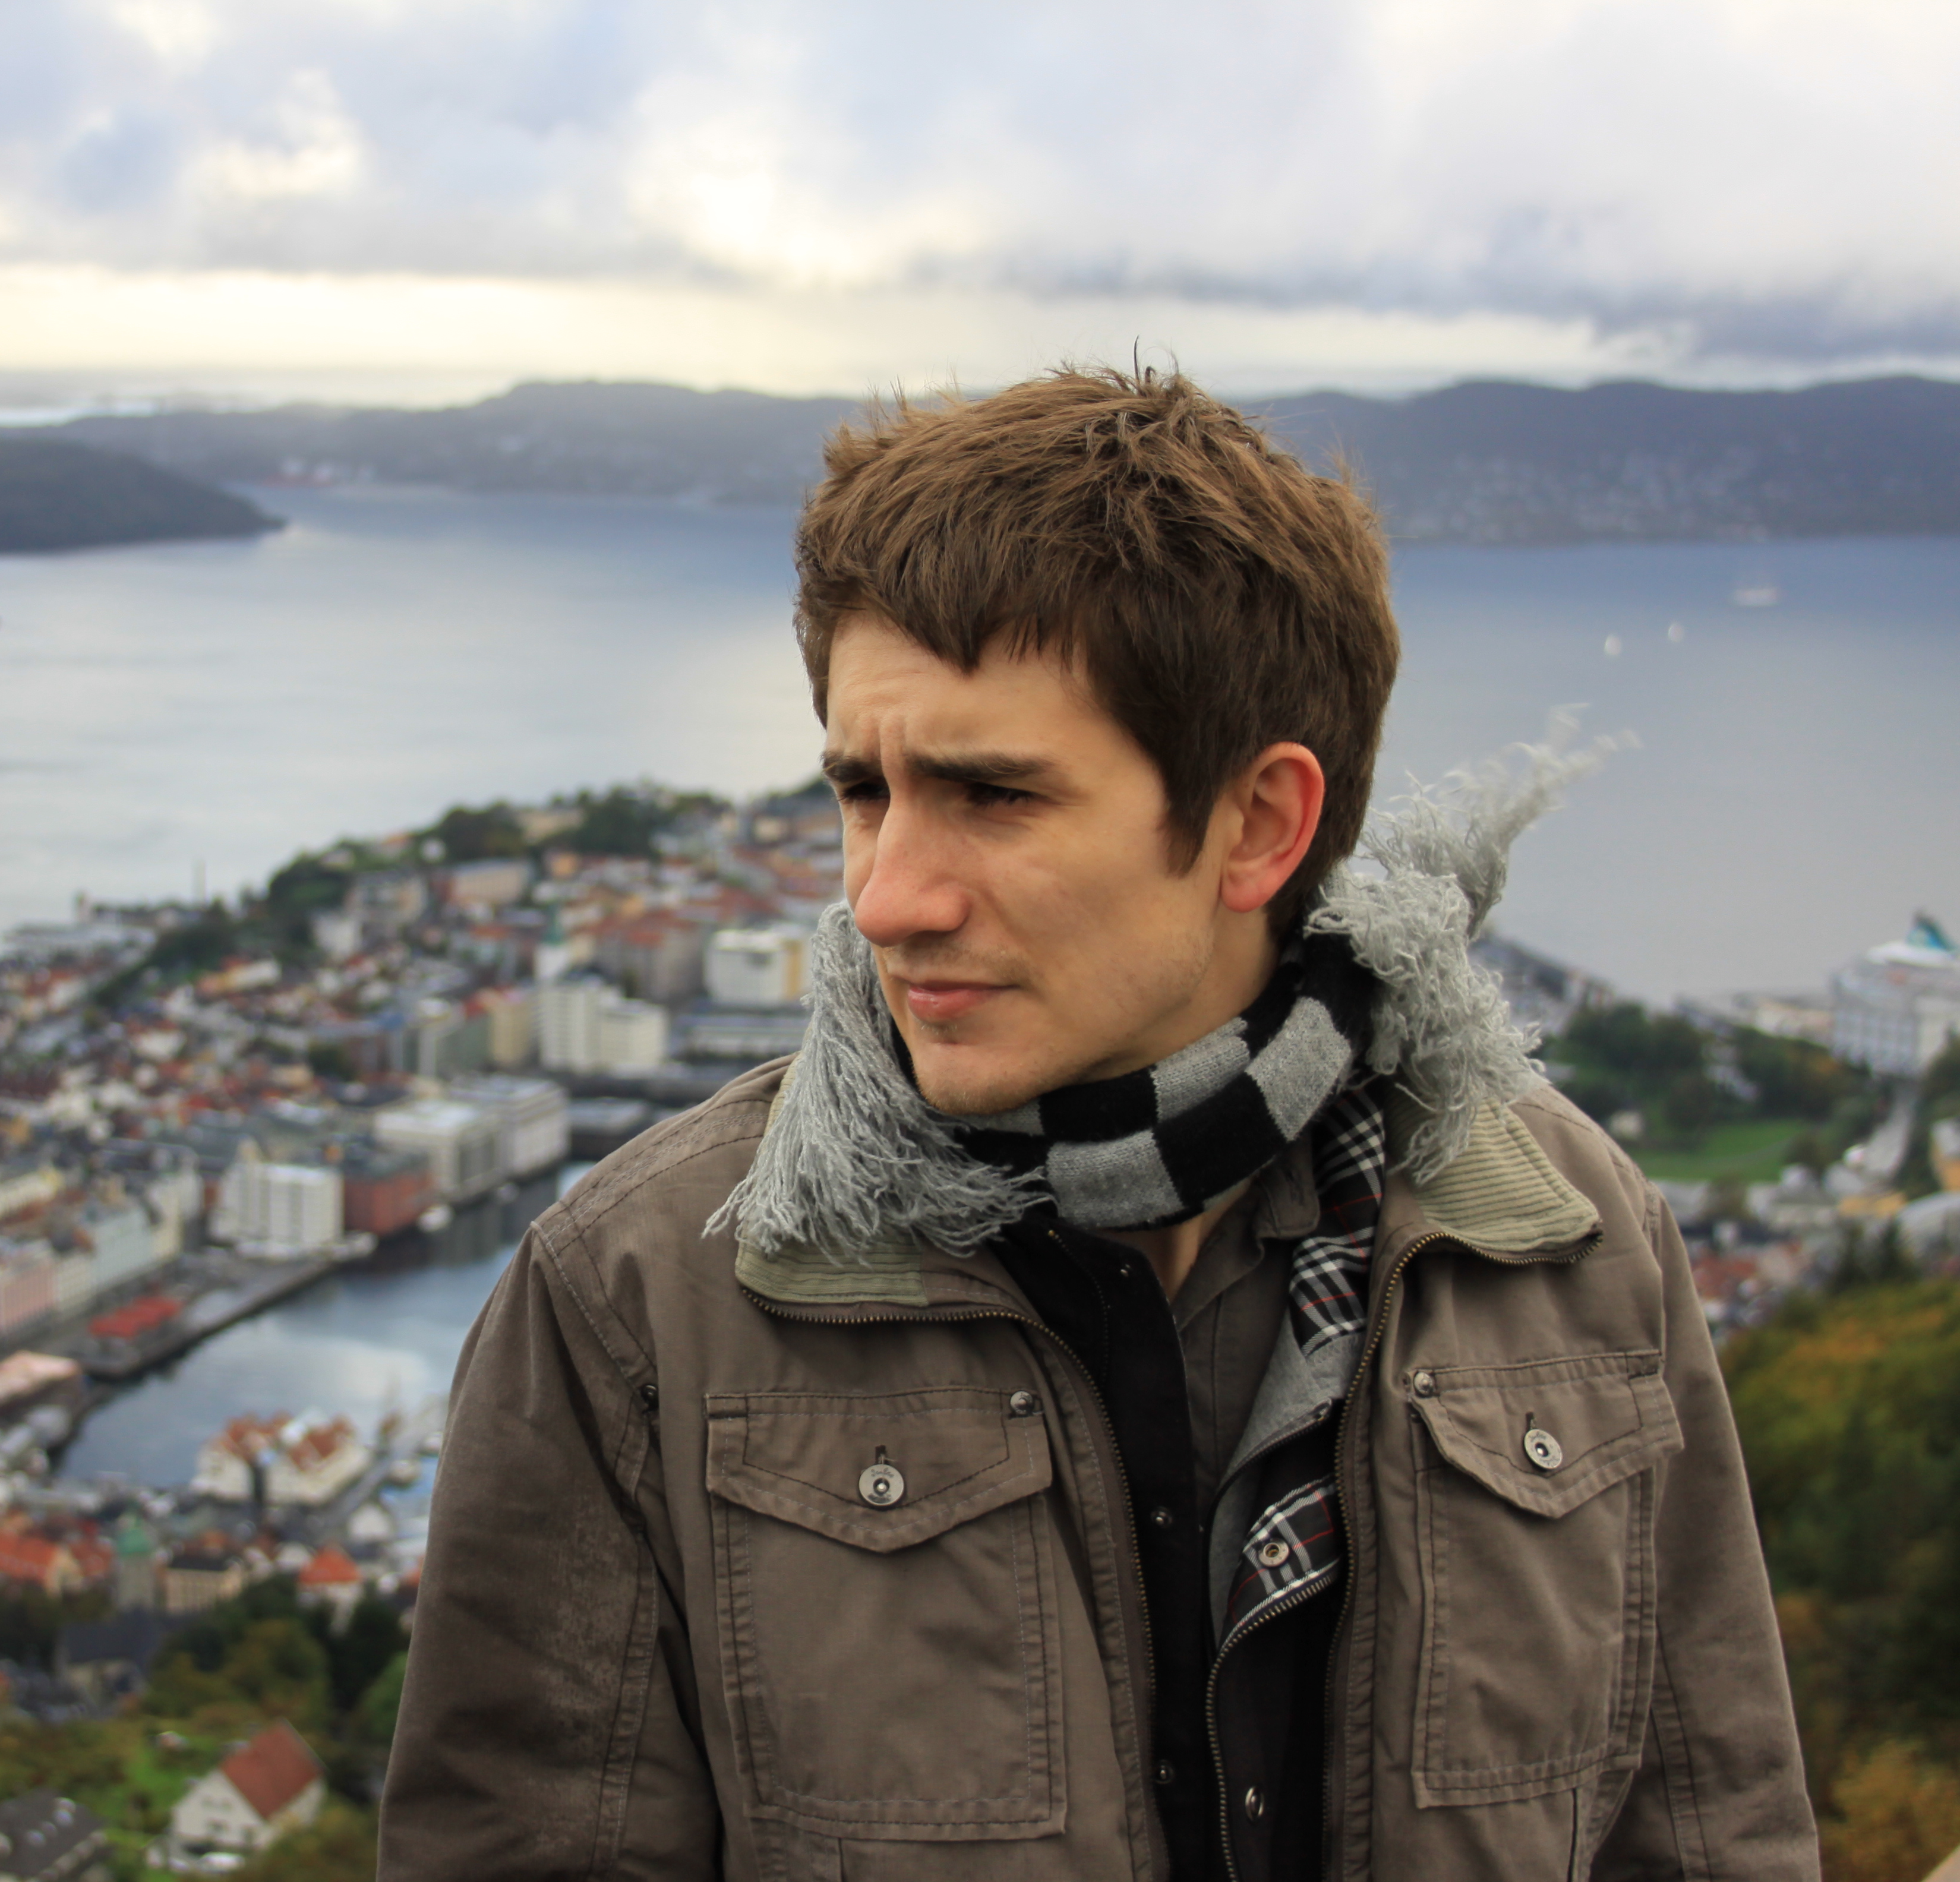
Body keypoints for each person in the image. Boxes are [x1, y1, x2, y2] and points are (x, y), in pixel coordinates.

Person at [377, 365, 1813, 1881]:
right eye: (865, 791)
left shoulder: (1569, 1247)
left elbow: (1710, 1836)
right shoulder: (642, 1299)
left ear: (1259, 824)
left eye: (994, 797)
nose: (886, 897)